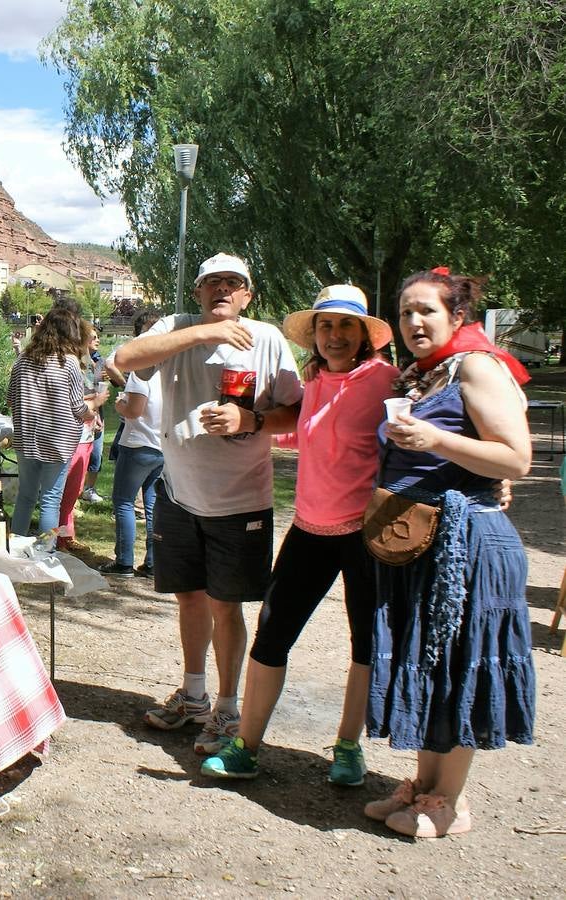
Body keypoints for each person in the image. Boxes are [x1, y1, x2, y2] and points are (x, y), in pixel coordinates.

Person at [201, 285, 398, 783]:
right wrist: (247, 419)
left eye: (345, 326)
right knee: (271, 636)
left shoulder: (388, 381)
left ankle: (349, 748)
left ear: (363, 334)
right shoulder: (312, 383)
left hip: (365, 534)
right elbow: (295, 431)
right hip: (309, 528)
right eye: (325, 326)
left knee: (366, 644)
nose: (334, 335)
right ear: (314, 336)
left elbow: (423, 433)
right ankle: (246, 744)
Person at [362, 267, 534, 838]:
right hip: (421, 542)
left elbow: (515, 459)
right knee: (430, 662)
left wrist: (437, 439)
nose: (413, 322)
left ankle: (450, 801)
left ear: (457, 317)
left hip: (472, 544)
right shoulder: (423, 375)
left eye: (426, 311)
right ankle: (423, 783)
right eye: (405, 312)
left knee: (460, 665)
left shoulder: (479, 367)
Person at [112, 252, 303, 755]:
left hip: (241, 501)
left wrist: (252, 422)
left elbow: (297, 412)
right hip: (178, 495)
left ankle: (227, 707)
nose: (222, 289)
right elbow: (125, 360)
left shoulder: (267, 339)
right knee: (189, 598)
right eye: (211, 282)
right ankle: (193, 694)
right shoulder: (178, 328)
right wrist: (204, 333)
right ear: (198, 292)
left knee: (226, 605)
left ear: (248, 294)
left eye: (232, 283)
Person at [6, 309, 105, 540]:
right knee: (51, 499)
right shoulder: (68, 363)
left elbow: (10, 399)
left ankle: (15, 549)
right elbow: (77, 407)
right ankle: (46, 556)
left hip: (26, 438)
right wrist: (93, 409)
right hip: (58, 440)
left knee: (26, 496)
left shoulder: (22, 360)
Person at [101, 309, 165, 577]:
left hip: (138, 443)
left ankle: (124, 561)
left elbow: (135, 409)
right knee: (152, 505)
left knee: (124, 501)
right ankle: (153, 562)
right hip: (161, 445)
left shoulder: (142, 371)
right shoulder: (170, 367)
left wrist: (120, 405)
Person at [55, 320, 108, 550]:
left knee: (75, 490)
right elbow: (69, 402)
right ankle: (59, 538)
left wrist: (95, 412)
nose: (96, 341)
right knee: (64, 491)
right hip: (72, 435)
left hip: (86, 435)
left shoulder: (90, 366)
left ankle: (66, 536)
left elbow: (95, 393)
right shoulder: (71, 365)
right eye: (91, 337)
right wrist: (93, 403)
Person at [80, 328, 108, 504]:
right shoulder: (76, 361)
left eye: (98, 337)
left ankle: (89, 489)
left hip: (98, 412)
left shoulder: (100, 362)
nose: (98, 340)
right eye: (94, 337)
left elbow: (104, 385)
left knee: (96, 453)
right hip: (83, 412)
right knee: (81, 454)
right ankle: (76, 491)